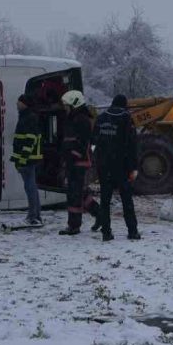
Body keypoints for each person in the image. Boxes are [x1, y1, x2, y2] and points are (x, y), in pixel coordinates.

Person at [92, 94, 140, 241]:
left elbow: (94, 142)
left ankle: (106, 232)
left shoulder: (101, 118)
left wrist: (98, 161)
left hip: (104, 165)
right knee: (126, 199)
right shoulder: (126, 118)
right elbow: (132, 144)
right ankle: (132, 231)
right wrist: (133, 166)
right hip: (121, 166)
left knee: (105, 200)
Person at [59, 90, 97, 236]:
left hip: (79, 162)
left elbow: (83, 142)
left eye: (67, 105)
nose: (65, 108)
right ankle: (98, 214)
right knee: (77, 193)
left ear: (74, 104)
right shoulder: (73, 118)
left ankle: (74, 226)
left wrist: (73, 155)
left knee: (75, 193)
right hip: (73, 161)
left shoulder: (81, 119)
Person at [10, 94, 44, 226]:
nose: (17, 104)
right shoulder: (28, 116)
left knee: (30, 187)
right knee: (31, 187)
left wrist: (23, 158)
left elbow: (29, 139)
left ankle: (33, 216)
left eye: (19, 102)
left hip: (28, 159)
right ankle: (35, 215)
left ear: (25, 104)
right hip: (28, 158)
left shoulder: (28, 117)